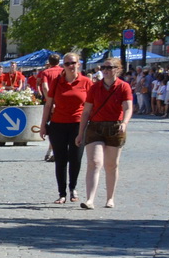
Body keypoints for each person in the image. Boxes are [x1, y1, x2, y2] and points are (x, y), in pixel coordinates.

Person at [79, 58, 132, 209]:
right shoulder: (95, 88)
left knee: (111, 165)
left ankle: (110, 198)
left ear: (118, 69)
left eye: (110, 67)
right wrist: (80, 132)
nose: (106, 70)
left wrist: (124, 123)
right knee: (94, 162)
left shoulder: (123, 86)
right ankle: (90, 200)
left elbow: (128, 108)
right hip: (95, 127)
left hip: (115, 127)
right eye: (104, 67)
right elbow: (86, 111)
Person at [40, 51, 87, 204]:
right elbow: (48, 104)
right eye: (67, 63)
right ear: (63, 66)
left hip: (78, 125)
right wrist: (42, 125)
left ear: (78, 64)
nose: (70, 66)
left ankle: (73, 188)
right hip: (58, 124)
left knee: (76, 158)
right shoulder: (57, 83)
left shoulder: (86, 82)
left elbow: (91, 105)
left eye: (73, 63)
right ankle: (62, 193)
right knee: (60, 160)